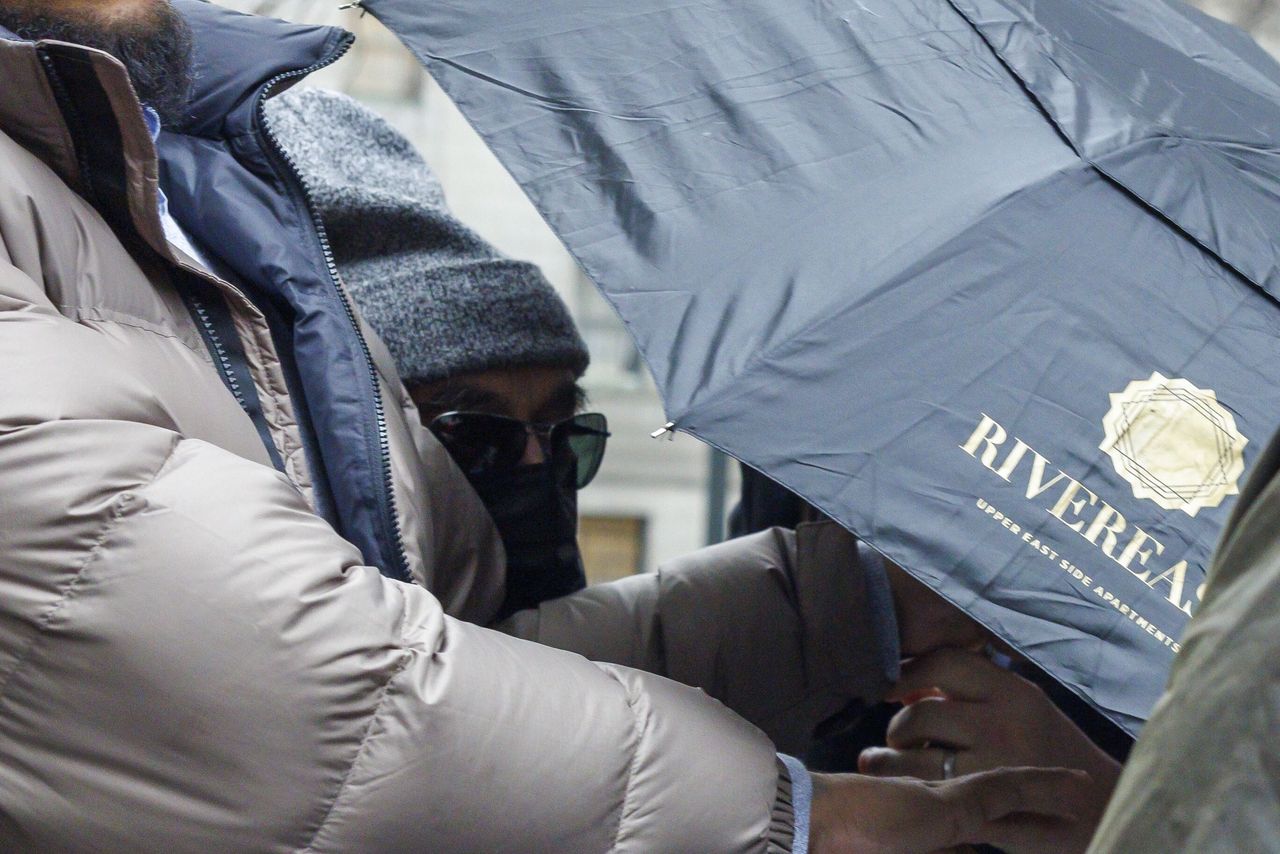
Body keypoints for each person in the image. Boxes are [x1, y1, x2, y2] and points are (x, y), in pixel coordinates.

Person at [0, 0, 1090, 850]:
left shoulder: (172, 168)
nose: (530, 476)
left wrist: (847, 603)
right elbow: (302, 704)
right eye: (471, 436)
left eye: (563, 437)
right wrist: (797, 812)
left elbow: (446, 649)